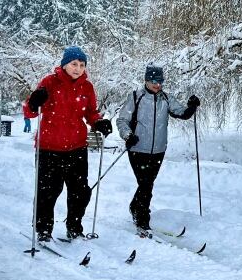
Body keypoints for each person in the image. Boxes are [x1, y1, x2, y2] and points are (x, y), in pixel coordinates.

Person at [24, 46, 113, 241]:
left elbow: (90, 112)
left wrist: (98, 121)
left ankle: (74, 227)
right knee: (48, 192)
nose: (78, 68)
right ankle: (43, 231)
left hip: (77, 147)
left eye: (82, 65)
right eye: (74, 64)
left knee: (80, 192)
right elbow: (30, 112)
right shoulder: (49, 82)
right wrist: (33, 102)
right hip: (49, 148)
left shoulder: (87, 87)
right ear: (65, 65)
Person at [116, 64, 200, 232]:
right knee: (146, 184)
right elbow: (122, 120)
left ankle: (135, 207)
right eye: (154, 81)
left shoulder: (166, 99)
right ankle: (142, 219)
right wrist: (128, 135)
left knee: (147, 184)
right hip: (138, 149)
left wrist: (191, 107)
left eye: (160, 81)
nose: (157, 84)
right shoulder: (135, 97)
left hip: (159, 150)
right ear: (146, 80)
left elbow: (182, 113)